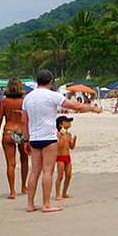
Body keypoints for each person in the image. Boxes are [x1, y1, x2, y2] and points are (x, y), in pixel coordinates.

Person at [22, 69, 100, 213]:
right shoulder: (53, 95)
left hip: (34, 138)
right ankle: (46, 204)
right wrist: (91, 108)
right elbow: (75, 106)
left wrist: (26, 140)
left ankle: (30, 204)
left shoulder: (28, 98)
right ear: (51, 81)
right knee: (47, 171)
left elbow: (24, 121)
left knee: (34, 171)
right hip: (49, 138)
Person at [0, 78, 29, 199]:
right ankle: (24, 186)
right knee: (24, 160)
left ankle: (12, 191)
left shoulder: (4, 102)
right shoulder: (24, 101)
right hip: (21, 132)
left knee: (10, 163)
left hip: (8, 131)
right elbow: (27, 119)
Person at [54, 116, 77, 200]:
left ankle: (64, 193)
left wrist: (73, 141)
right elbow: (58, 146)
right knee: (60, 176)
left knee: (68, 175)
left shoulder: (69, 134)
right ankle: (57, 194)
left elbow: (71, 147)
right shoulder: (58, 134)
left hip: (67, 156)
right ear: (61, 124)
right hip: (60, 157)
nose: (69, 123)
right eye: (67, 121)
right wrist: (60, 137)